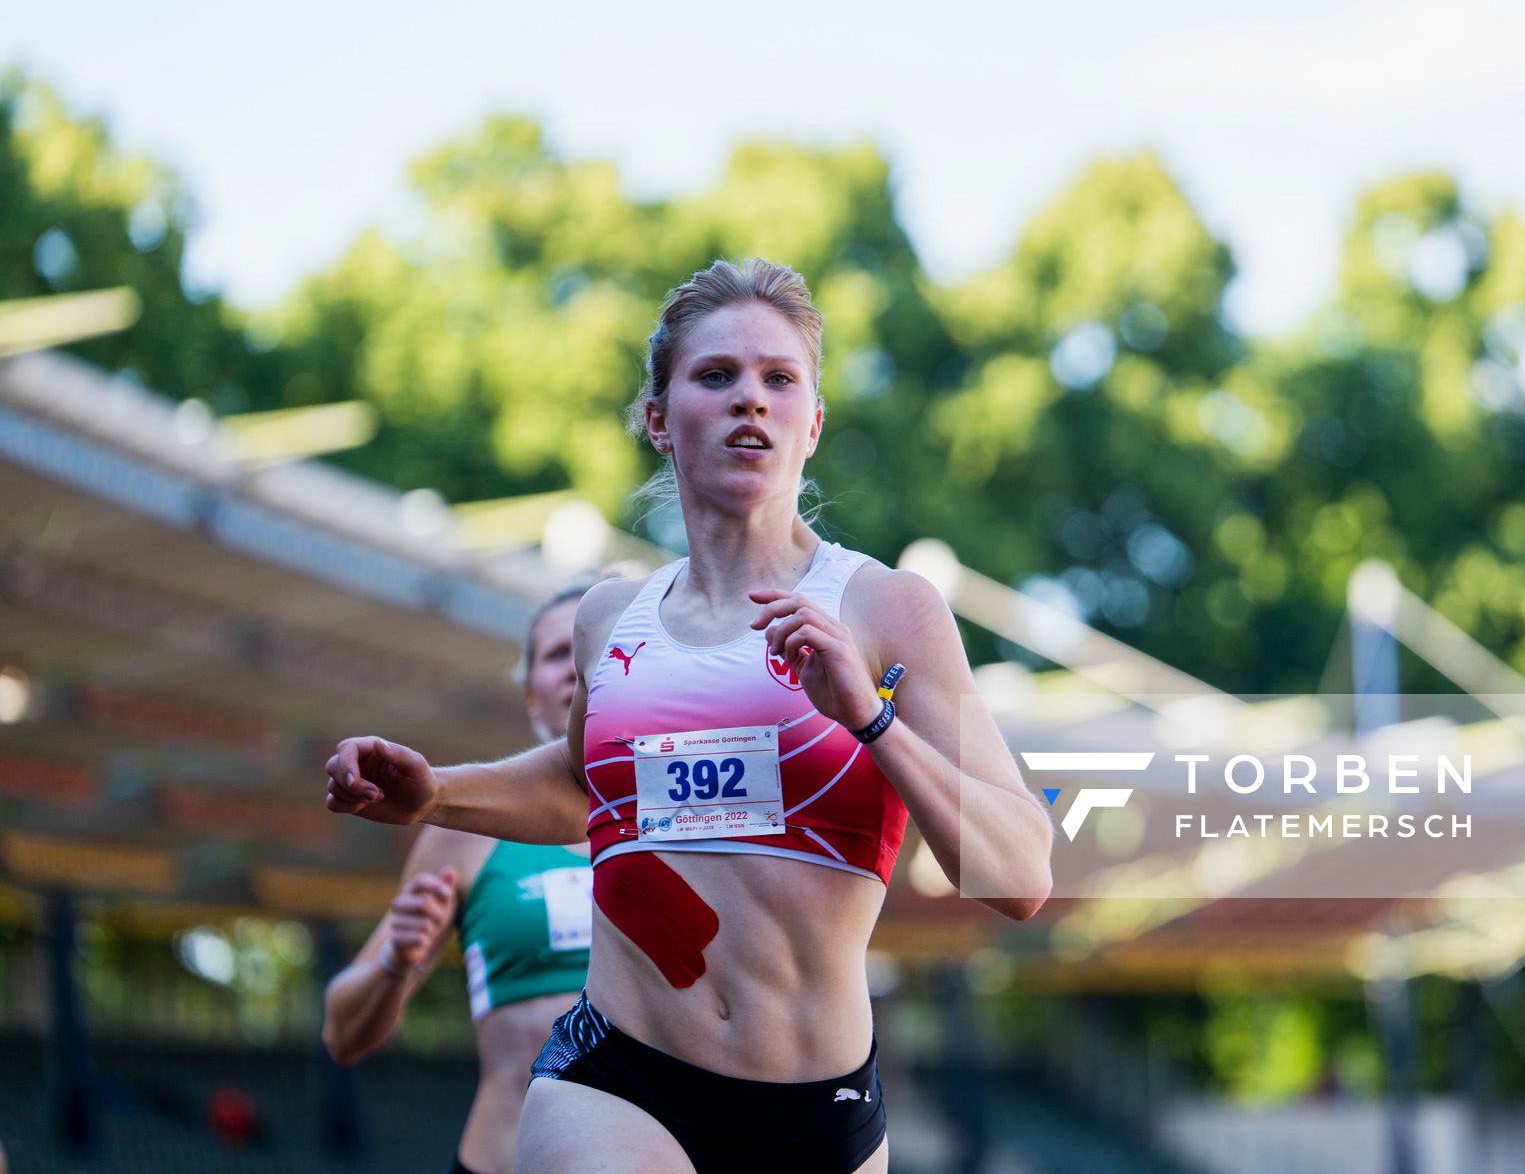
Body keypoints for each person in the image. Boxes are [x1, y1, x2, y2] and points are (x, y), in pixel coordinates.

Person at [325, 258, 1054, 1174]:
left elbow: (1019, 874)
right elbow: (579, 789)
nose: (751, 398)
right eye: (717, 376)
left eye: (779, 379)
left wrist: (868, 717)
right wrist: (434, 793)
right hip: (618, 1078)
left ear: (813, 424)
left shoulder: (885, 608)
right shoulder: (607, 619)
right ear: (661, 422)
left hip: (816, 1112)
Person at [322, 582, 597, 1174]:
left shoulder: (689, 817)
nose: (577, 665)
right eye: (556, 654)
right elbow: (342, 1035)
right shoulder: (466, 831)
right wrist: (397, 959)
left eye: (593, 647)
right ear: (530, 697)